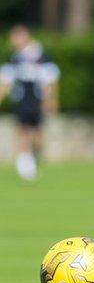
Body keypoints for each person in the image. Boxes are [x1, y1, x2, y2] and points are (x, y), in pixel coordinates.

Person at [0, 25, 60, 181]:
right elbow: (5, 81)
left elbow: (51, 80)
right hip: (22, 100)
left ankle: (34, 158)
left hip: (38, 100)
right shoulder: (14, 58)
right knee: (22, 131)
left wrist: (51, 100)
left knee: (38, 133)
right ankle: (25, 165)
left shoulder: (42, 56)